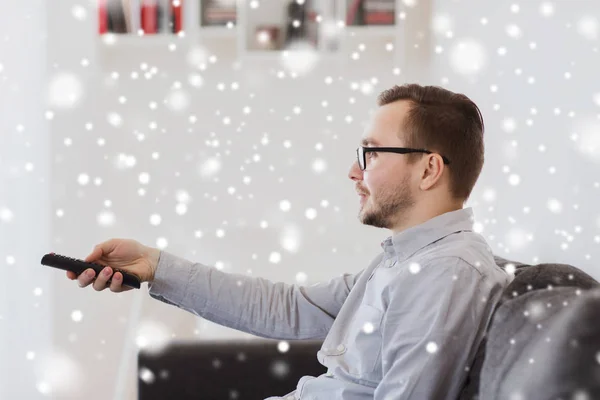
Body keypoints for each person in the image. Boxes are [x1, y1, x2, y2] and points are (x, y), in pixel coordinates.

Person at [67, 83, 513, 399]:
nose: (355, 172)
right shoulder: (408, 259)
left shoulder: (446, 274)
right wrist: (155, 265)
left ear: (429, 169)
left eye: (371, 153)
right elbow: (289, 307)